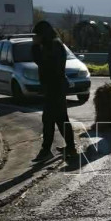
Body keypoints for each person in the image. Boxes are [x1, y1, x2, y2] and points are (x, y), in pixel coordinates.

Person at [32, 19, 78, 162]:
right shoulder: (51, 45)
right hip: (54, 88)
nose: (35, 37)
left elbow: (48, 66)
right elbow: (42, 63)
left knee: (49, 119)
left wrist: (35, 48)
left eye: (37, 35)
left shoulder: (54, 46)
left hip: (55, 88)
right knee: (60, 119)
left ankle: (46, 150)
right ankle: (69, 147)